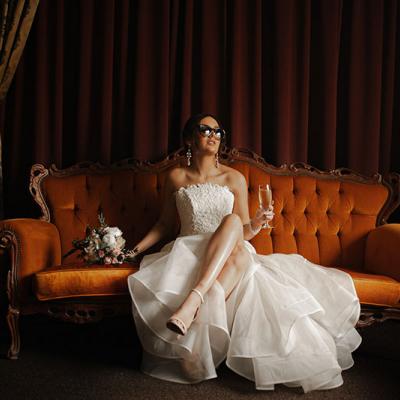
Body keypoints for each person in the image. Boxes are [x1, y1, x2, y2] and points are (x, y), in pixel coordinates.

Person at [127, 113, 361, 393]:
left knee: (234, 224)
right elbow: (165, 224)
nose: (213, 135)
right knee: (237, 252)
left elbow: (243, 229)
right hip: (189, 249)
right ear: (189, 139)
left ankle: (193, 311)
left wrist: (259, 221)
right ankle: (199, 315)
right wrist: (133, 250)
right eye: (205, 130)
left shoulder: (234, 177)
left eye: (218, 131)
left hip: (231, 246)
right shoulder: (176, 177)